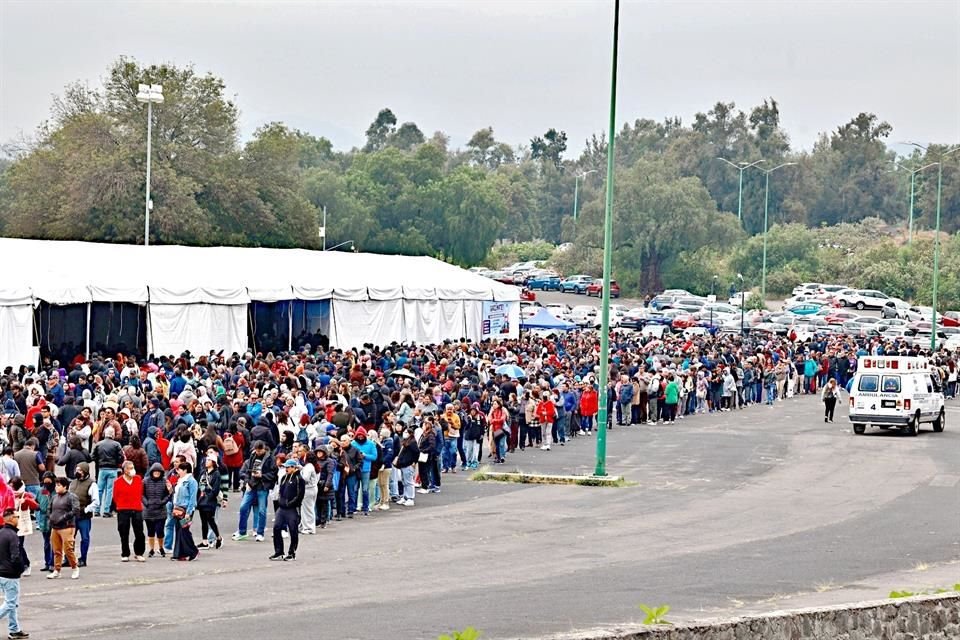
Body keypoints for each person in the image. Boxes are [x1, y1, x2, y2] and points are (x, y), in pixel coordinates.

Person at [232, 441, 277, 542]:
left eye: (260, 451)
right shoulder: (253, 456)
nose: (258, 452)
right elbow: (248, 471)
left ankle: (260, 532)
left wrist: (262, 475)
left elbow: (274, 474)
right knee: (243, 507)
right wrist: (248, 482)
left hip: (262, 486)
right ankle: (242, 531)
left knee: (262, 510)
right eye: (256, 450)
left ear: (264, 449)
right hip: (252, 485)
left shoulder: (270, 459)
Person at [0, 507, 28, 639]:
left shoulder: (1, 533)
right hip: (10, 574)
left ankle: (14, 629)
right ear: (11, 518)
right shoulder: (13, 536)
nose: (18, 519)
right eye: (17, 517)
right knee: (10, 603)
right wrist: (20, 568)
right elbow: (16, 556)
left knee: (12, 602)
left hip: (2, 572)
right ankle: (14, 629)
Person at [270, 459, 305, 561]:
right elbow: (280, 491)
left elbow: (300, 495)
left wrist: (290, 504)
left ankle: (292, 553)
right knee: (276, 528)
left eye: (288, 467)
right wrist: (280, 502)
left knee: (293, 530)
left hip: (292, 509)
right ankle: (279, 552)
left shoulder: (299, 479)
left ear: (294, 467)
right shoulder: (284, 477)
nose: (286, 469)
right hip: (282, 508)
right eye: (285, 467)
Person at [47, 477, 80, 580]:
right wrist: (51, 517)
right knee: (56, 550)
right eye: (56, 485)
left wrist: (64, 517)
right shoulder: (54, 497)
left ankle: (75, 567)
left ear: (65, 486)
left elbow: (76, 510)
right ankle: (57, 570)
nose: (56, 487)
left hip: (67, 526)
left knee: (68, 549)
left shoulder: (71, 497)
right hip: (55, 526)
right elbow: (49, 508)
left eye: (59, 485)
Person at [112, 461, 146, 562]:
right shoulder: (118, 482)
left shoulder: (138, 479)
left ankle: (139, 552)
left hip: (136, 508)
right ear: (125, 470)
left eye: (133, 467)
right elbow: (115, 496)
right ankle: (125, 553)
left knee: (139, 532)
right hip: (123, 509)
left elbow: (141, 492)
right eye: (130, 468)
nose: (132, 470)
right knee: (123, 532)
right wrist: (120, 505)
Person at [67, 462, 99, 568]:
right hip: (72, 515)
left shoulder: (92, 484)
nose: (77, 472)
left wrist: (86, 510)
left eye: (80, 470)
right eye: (77, 470)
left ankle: (83, 558)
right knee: (70, 538)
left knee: (85, 538)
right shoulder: (72, 483)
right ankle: (69, 558)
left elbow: (96, 501)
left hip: (84, 516)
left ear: (85, 471)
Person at [91, 427, 123, 517]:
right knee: (110, 490)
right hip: (113, 469)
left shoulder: (99, 444)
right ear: (113, 434)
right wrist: (117, 462)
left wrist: (99, 462)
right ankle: (106, 510)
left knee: (99, 490)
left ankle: (97, 510)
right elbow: (121, 457)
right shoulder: (116, 444)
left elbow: (93, 456)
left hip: (102, 469)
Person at [171, 462, 198, 561]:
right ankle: (179, 553)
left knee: (184, 531)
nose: (177, 471)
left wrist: (189, 512)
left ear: (185, 470)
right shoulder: (180, 480)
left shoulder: (191, 481)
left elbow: (192, 498)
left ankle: (193, 551)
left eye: (179, 470)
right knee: (179, 530)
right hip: (178, 509)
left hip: (186, 509)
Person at [141, 463, 169, 558]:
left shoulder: (165, 481)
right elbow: (141, 494)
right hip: (148, 511)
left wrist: (162, 502)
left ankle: (161, 547)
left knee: (160, 531)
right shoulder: (145, 481)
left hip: (161, 511)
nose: (156, 473)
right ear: (151, 472)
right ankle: (151, 549)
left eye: (158, 472)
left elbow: (169, 494)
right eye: (155, 472)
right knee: (150, 531)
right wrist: (146, 503)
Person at [196, 455, 223, 550]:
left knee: (210, 520)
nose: (206, 461)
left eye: (209, 460)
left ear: (213, 462)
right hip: (201, 500)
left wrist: (208, 497)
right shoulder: (203, 473)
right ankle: (205, 541)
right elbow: (199, 485)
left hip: (210, 501)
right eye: (206, 460)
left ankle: (218, 537)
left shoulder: (216, 474)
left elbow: (215, 489)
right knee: (203, 521)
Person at [394, 429, 419, 507]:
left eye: (406, 432)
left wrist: (414, 462)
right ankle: (405, 497)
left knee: (408, 482)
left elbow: (417, 452)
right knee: (404, 482)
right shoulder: (406, 441)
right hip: (403, 464)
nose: (404, 433)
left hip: (408, 464)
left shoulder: (412, 442)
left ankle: (410, 498)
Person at [35, 473, 55, 572]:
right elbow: (37, 502)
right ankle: (47, 563)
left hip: (54, 520)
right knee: (46, 544)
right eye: (45, 481)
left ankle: (52, 563)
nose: (46, 483)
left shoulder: (56, 491)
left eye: (48, 481)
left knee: (54, 543)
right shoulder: (41, 491)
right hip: (44, 521)